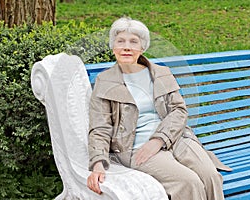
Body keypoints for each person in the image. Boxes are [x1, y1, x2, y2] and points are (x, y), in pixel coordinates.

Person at [87, 17, 232, 200]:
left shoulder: (161, 73)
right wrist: (98, 163)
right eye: (120, 41)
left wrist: (158, 140)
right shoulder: (105, 81)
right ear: (113, 46)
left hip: (177, 138)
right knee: (188, 183)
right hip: (137, 148)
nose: (126, 47)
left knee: (210, 176)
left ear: (142, 47)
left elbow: (179, 110)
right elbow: (100, 127)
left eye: (133, 42)